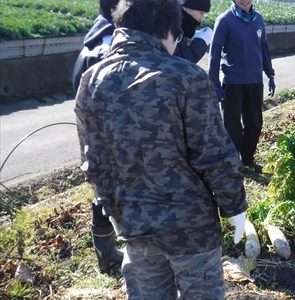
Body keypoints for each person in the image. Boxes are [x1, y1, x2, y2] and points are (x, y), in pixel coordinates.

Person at [74, 0, 248, 298]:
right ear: (168, 29)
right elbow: (216, 157)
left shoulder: (92, 80)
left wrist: (118, 215)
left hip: (135, 228)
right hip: (191, 231)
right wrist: (235, 209)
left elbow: (94, 165)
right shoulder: (185, 77)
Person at [71, 0, 123, 275]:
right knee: (107, 196)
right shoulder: (107, 47)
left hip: (95, 133)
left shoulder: (93, 40)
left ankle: (106, 253)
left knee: (102, 193)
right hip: (108, 134)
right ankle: (107, 255)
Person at [209, 0, 276, 172]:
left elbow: (264, 48)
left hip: (254, 80)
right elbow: (214, 54)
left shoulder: (258, 19)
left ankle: (247, 159)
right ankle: (234, 162)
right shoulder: (225, 20)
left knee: (254, 122)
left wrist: (270, 73)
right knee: (232, 125)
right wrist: (214, 84)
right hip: (233, 82)